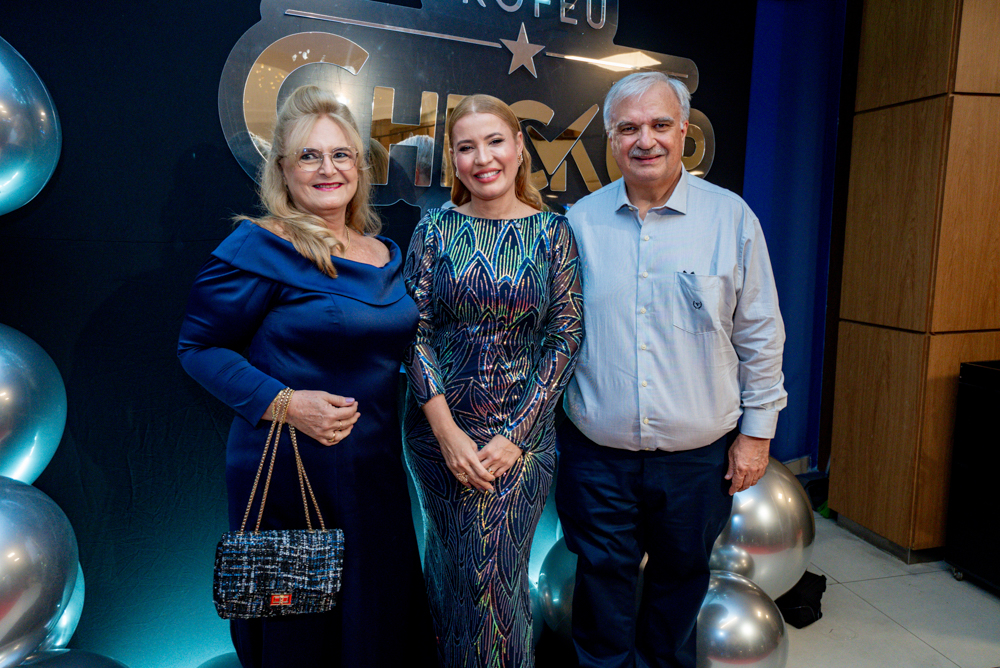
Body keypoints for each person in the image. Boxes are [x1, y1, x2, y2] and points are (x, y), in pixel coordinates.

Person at [177, 85, 434, 668]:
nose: (327, 169)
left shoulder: (385, 253)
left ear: (360, 167)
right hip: (291, 466)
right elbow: (198, 347)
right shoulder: (259, 246)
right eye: (309, 156)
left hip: (376, 470)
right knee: (301, 633)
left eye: (341, 154)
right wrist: (285, 403)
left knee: (378, 620)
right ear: (283, 171)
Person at [557, 72, 787, 668]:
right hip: (597, 453)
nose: (645, 141)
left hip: (697, 457)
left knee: (680, 585)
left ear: (685, 130)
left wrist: (757, 433)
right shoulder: (578, 224)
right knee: (601, 588)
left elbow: (760, 332)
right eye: (628, 128)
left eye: (660, 125)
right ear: (610, 138)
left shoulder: (731, 219)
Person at [403, 94, 584, 668]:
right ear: (453, 161)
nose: (483, 157)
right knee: (451, 574)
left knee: (497, 586)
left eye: (495, 141)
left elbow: (565, 338)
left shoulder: (554, 234)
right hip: (437, 440)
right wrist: (450, 435)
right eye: (466, 146)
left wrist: (514, 435)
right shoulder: (433, 230)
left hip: (522, 446)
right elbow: (414, 333)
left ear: (520, 149)